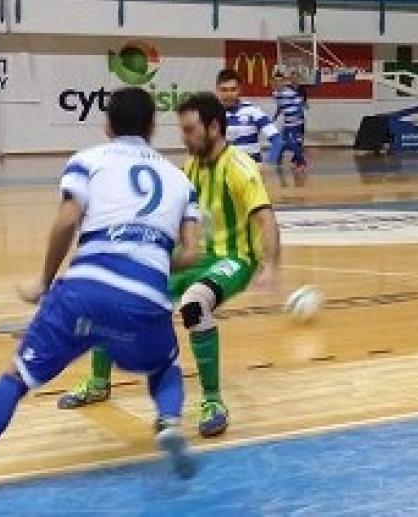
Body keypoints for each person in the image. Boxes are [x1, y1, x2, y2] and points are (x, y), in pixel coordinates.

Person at [0, 88, 201, 514]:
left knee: (16, 377)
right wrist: (148, 255)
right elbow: (192, 252)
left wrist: (44, 280)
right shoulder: (180, 180)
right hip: (144, 299)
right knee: (163, 363)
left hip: (84, 290)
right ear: (153, 127)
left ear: (108, 125)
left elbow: (66, 221)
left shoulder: (90, 159)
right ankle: (168, 420)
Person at [56, 93, 281, 440]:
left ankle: (212, 401)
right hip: (196, 258)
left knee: (194, 303)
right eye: (182, 130)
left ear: (214, 127)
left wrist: (270, 267)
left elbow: (266, 219)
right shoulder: (191, 167)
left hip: (234, 259)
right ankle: (99, 383)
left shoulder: (239, 168)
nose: (183, 137)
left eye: (190, 130)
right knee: (115, 292)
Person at [215, 68, 279, 163]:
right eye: (224, 90)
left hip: (251, 172)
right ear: (217, 90)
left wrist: (269, 163)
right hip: (225, 170)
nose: (229, 94)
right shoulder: (212, 114)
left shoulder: (253, 111)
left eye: (233, 89)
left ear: (239, 89)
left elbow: (277, 140)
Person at [272, 69, 308, 170]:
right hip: (287, 122)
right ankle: (294, 159)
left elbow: (301, 105)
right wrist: (275, 117)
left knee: (293, 142)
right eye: (276, 81)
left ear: (283, 82)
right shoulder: (275, 94)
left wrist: (300, 120)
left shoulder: (291, 93)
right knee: (285, 141)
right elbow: (280, 106)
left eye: (280, 81)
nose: (278, 83)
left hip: (296, 122)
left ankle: (301, 163)